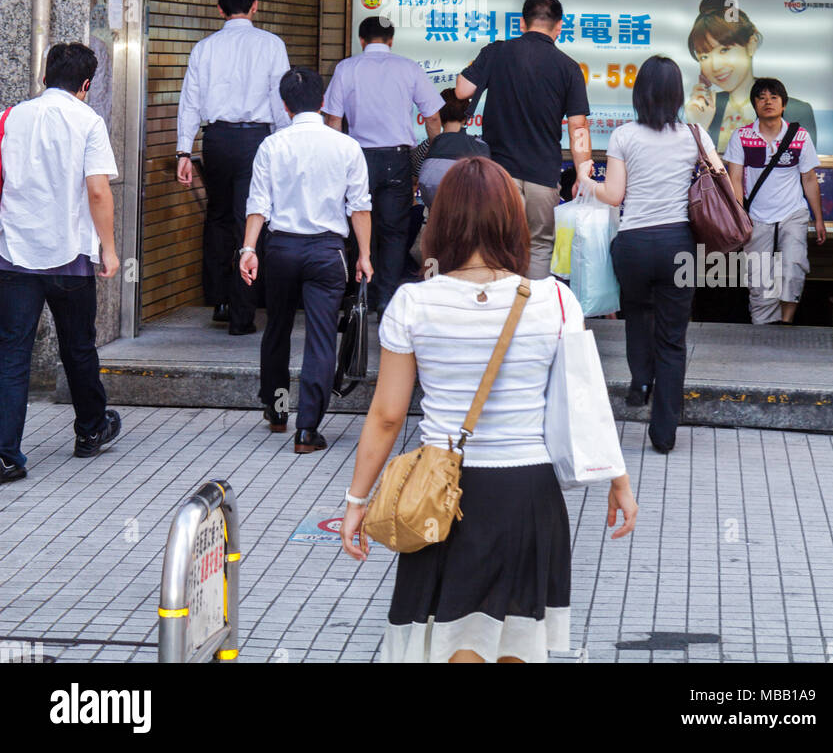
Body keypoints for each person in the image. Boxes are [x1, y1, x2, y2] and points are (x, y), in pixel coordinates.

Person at [340, 156, 636, 663]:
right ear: (513, 219)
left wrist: (356, 501)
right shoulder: (557, 300)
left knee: (452, 644)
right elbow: (586, 400)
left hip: (442, 493)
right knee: (517, 645)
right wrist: (618, 482)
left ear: (442, 221)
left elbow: (387, 415)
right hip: (529, 496)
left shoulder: (413, 304)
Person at [577, 55, 723, 455]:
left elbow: (614, 196)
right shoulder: (695, 134)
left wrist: (586, 179)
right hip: (678, 244)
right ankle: (664, 432)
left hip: (635, 245)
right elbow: (719, 177)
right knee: (673, 338)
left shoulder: (624, 135)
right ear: (677, 93)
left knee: (638, 315)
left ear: (640, 92)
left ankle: (641, 379)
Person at [0, 43, 121, 484]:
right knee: (78, 347)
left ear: (43, 76)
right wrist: (108, 248)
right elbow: (98, 191)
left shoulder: (9, 117)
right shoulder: (88, 120)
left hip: (13, 254)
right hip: (69, 257)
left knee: (12, 354)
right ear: (86, 85)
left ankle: (6, 456)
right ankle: (90, 431)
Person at [239, 67, 373, 454]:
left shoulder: (272, 145)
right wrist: (364, 255)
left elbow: (258, 205)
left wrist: (249, 250)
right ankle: (307, 430)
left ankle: (278, 411)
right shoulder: (346, 146)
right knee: (320, 338)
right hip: (327, 252)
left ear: (284, 105)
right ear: (322, 102)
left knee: (277, 329)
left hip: (280, 249)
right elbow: (359, 207)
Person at [175, 0, 290, 334]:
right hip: (258, 140)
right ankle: (243, 312)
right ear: (255, 6)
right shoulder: (272, 45)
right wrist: (286, 143)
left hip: (217, 139)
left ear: (220, 8)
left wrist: (183, 149)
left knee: (219, 217)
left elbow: (190, 101)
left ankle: (219, 300)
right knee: (252, 220)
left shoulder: (204, 48)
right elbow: (279, 97)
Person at [455, 0, 590, 279]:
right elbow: (578, 127)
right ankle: (531, 313)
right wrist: (582, 173)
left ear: (520, 23)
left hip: (500, 176)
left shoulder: (496, 52)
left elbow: (462, 91)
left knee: (498, 245)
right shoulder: (569, 67)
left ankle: (501, 314)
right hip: (543, 174)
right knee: (539, 245)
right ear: (559, 27)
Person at [323, 17, 443, 313]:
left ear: (361, 40)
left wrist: (336, 161)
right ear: (391, 40)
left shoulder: (346, 68)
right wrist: (435, 151)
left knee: (357, 227)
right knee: (394, 230)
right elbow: (433, 117)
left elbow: (333, 120)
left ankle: (360, 295)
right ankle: (386, 299)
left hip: (356, 157)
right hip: (396, 160)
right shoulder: (408, 68)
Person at [725, 78, 826, 326]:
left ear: (783, 105)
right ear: (754, 105)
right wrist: (739, 216)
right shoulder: (741, 136)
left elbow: (810, 179)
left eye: (773, 97)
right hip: (756, 216)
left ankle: (785, 322)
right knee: (759, 279)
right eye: (761, 97)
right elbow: (735, 179)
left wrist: (819, 219)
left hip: (793, 213)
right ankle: (763, 328)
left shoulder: (799, 136)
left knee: (793, 267)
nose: (767, 102)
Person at [684, 0, 817, 154]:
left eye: (724, 50)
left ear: (751, 43)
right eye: (704, 56)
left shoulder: (796, 111)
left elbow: (805, 167)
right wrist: (700, 127)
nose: (715, 65)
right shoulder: (704, 110)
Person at [416, 88, 490, 209]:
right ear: (467, 117)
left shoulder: (427, 146)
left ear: (438, 113)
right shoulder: (481, 146)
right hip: (471, 217)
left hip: (435, 217)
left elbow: (413, 180)